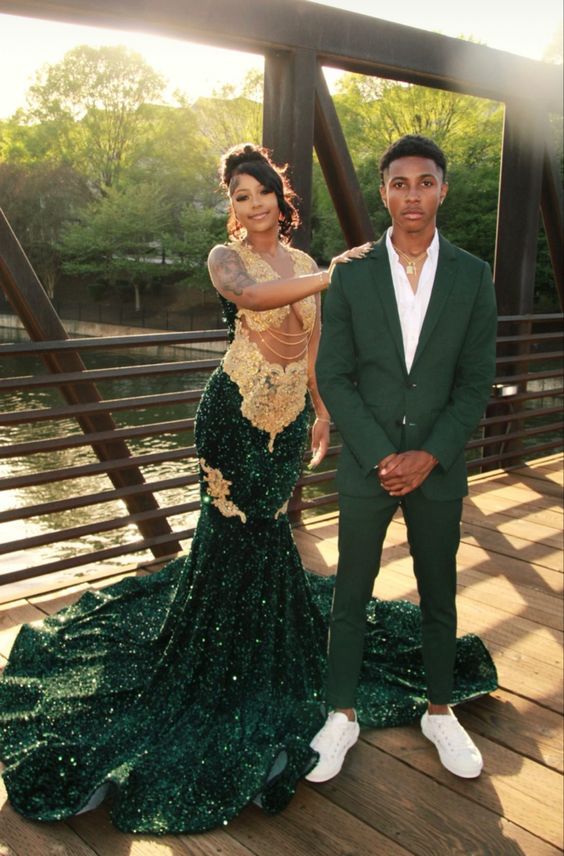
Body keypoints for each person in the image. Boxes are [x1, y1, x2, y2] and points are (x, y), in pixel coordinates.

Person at [0, 142, 496, 836]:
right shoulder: (226, 258)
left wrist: (322, 410)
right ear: (231, 206)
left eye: (263, 191)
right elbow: (254, 298)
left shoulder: (306, 260)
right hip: (233, 416)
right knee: (233, 534)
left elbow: (318, 349)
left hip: (289, 424)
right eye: (241, 195)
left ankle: (271, 658)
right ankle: (218, 664)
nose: (254, 203)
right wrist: (336, 274)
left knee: (268, 538)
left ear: (278, 198)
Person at [307, 134, 499, 785]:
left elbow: (476, 381)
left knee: (439, 592)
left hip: (438, 469)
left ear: (443, 190)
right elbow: (334, 375)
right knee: (350, 595)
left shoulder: (473, 275)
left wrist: (431, 455)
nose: (412, 194)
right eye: (399, 183)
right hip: (368, 465)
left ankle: (440, 710)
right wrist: (385, 455)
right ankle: (341, 714)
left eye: (425, 182)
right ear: (383, 192)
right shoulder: (352, 272)